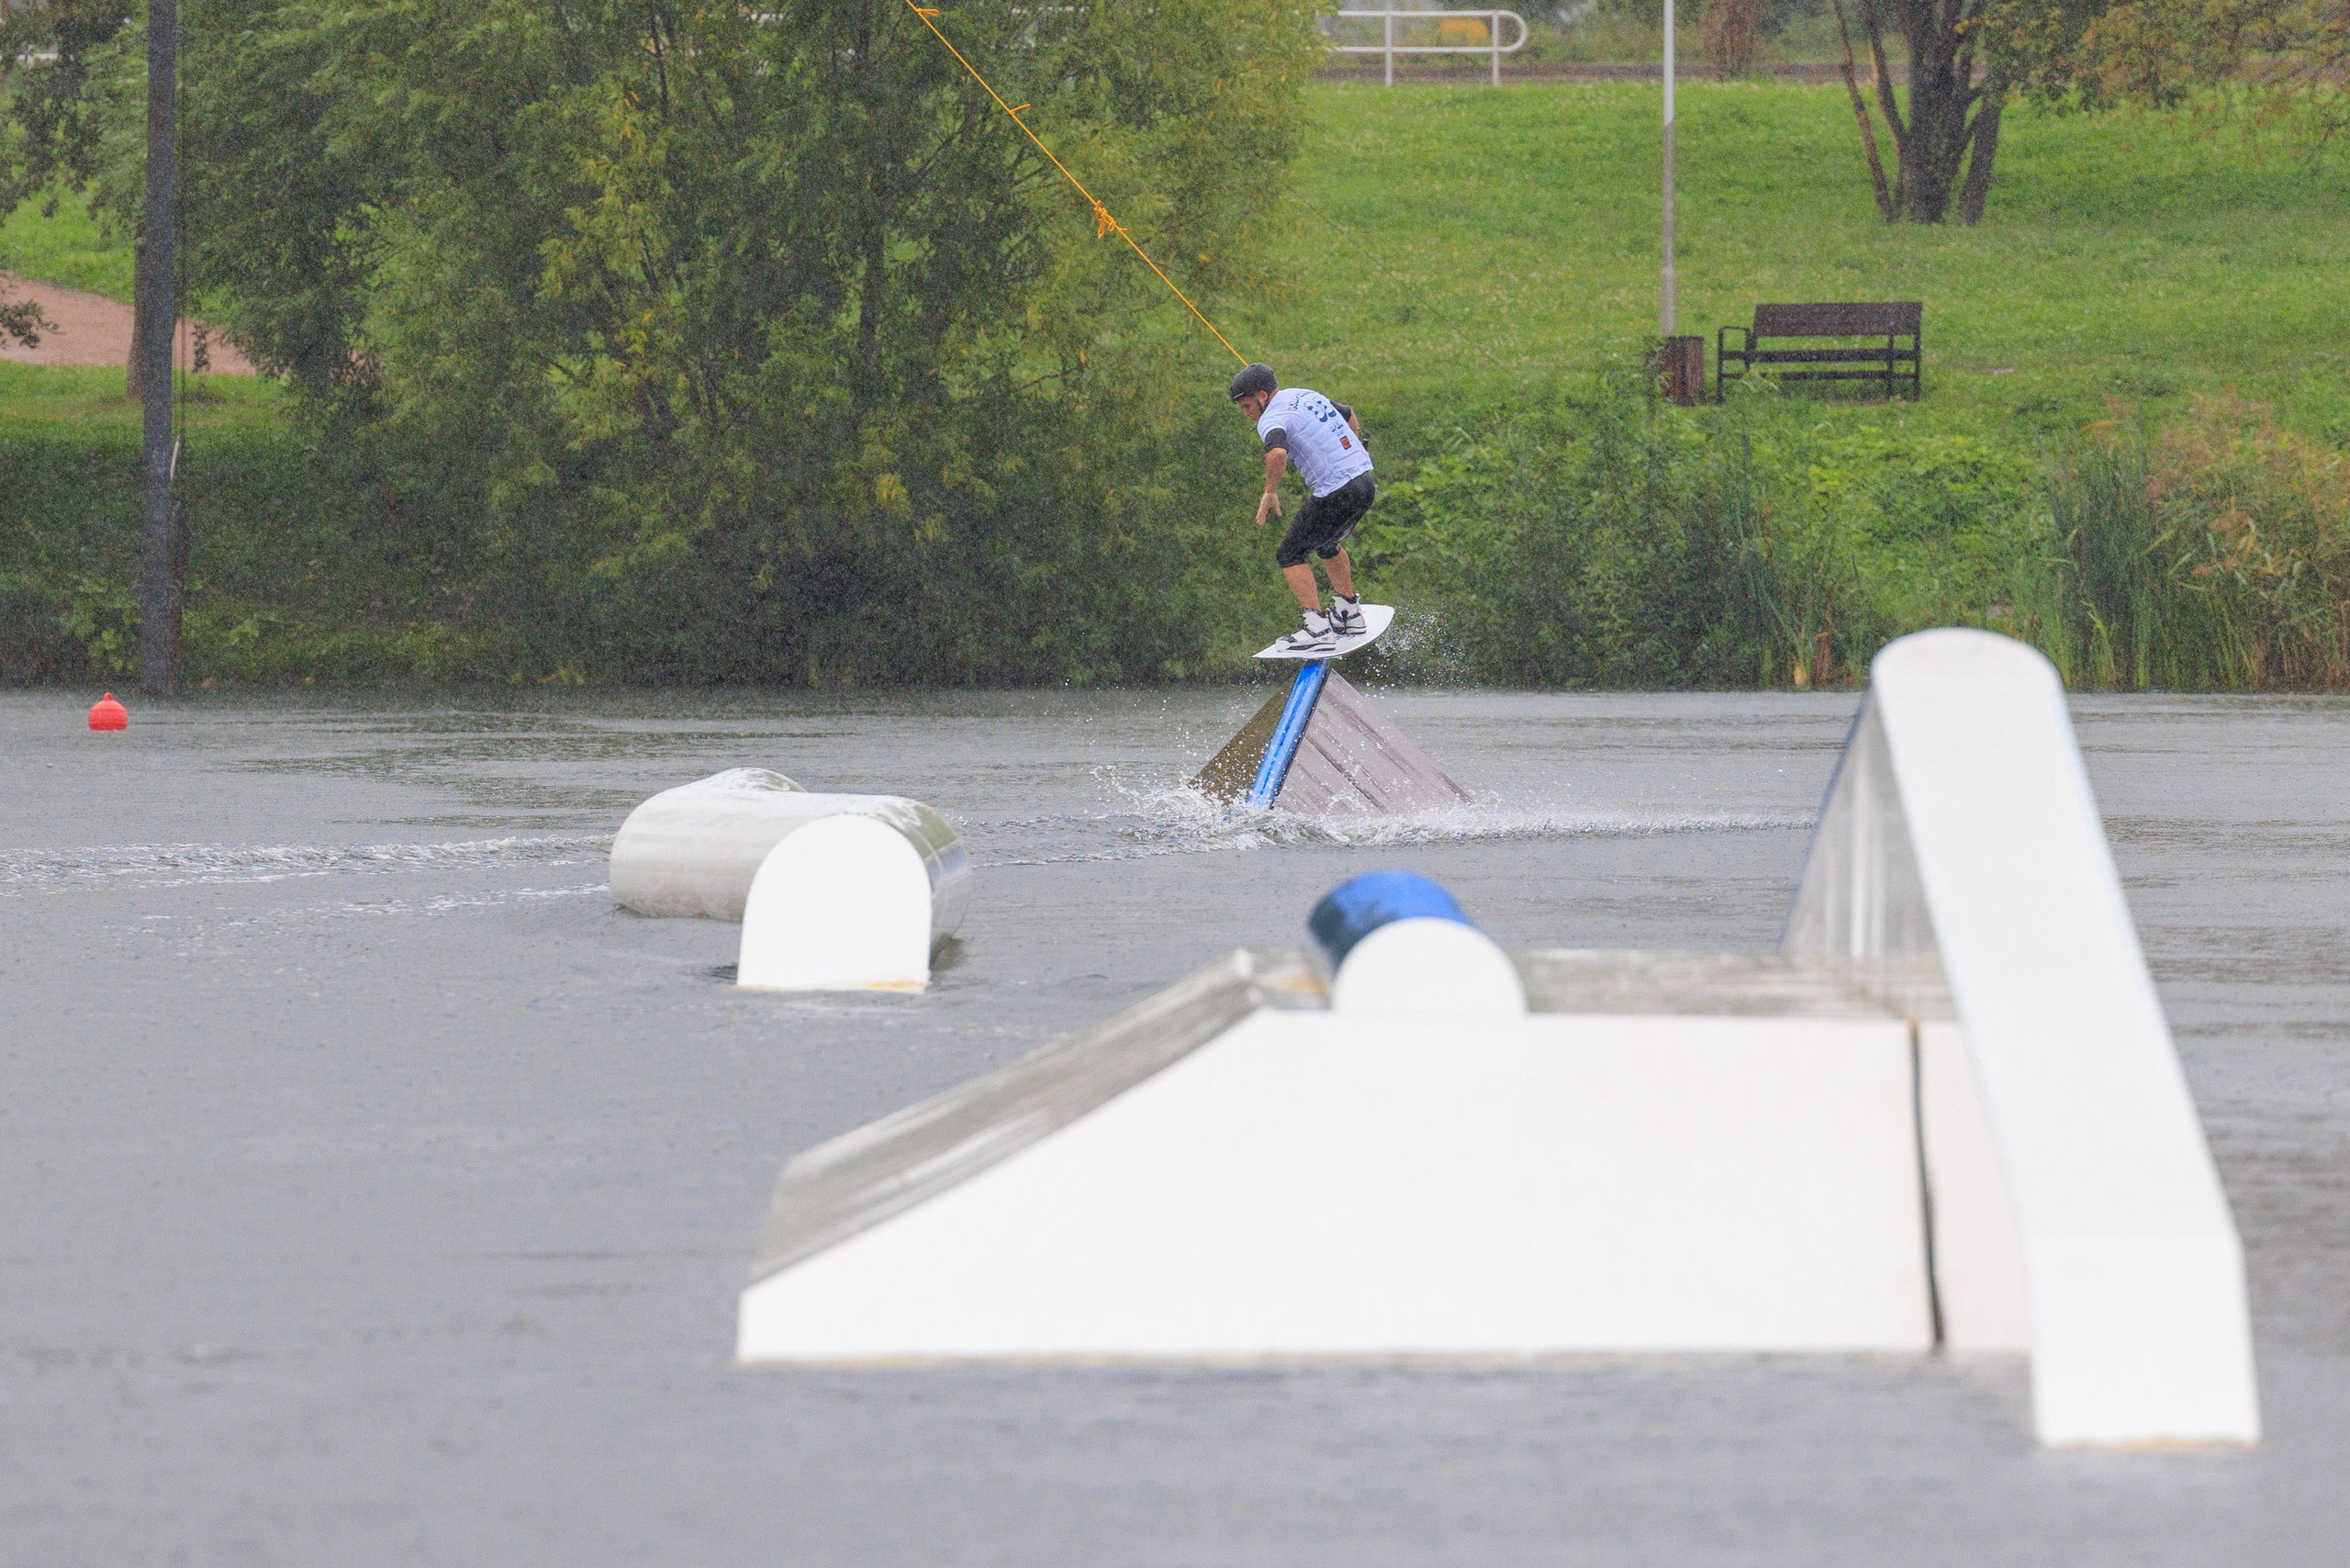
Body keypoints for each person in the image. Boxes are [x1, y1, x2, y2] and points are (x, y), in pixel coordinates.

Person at [1229, 362, 1374, 655]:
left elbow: (1278, 451)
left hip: (1337, 490)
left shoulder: (1271, 418)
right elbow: (1347, 413)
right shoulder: (1305, 395)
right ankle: (1349, 613)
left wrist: (1270, 491)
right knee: (1326, 542)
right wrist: (1353, 447)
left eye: (1247, 406)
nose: (1246, 414)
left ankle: (1316, 629)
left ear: (1262, 395)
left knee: (1289, 554)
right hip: (1365, 482)